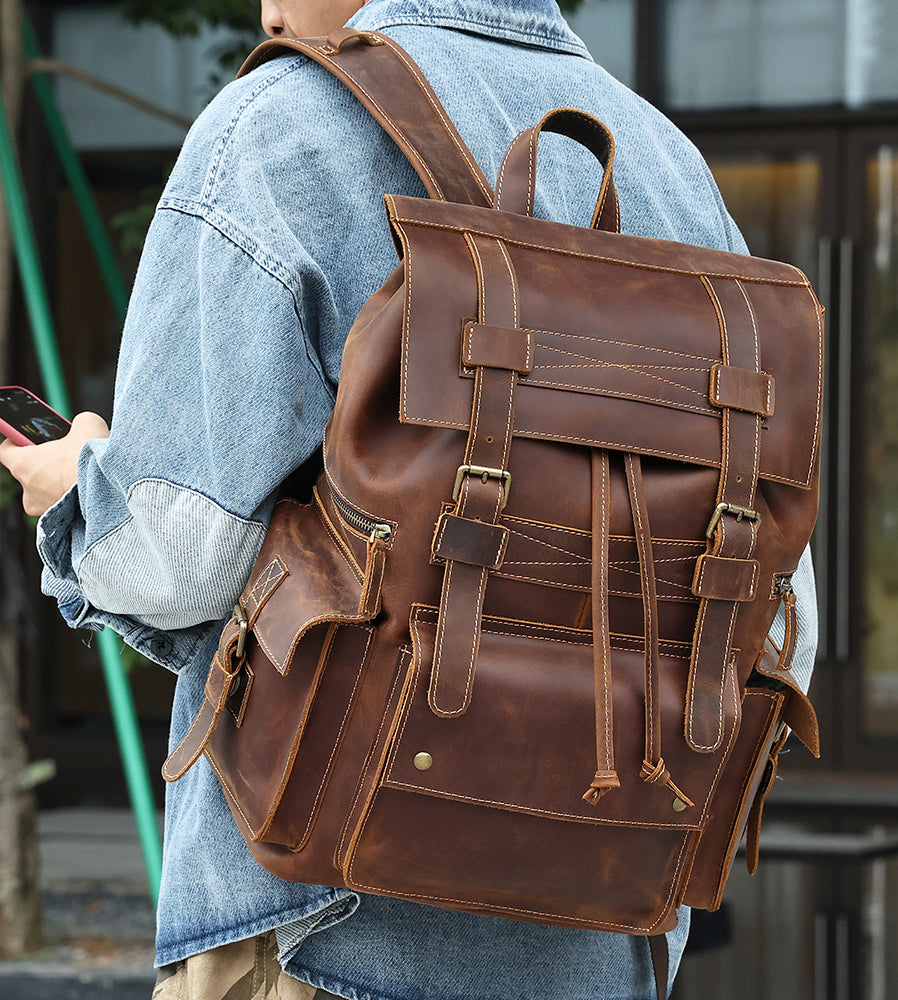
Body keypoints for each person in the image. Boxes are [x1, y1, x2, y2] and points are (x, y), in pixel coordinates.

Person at [0, 0, 819, 997]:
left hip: (322, 930)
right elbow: (783, 628)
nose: (262, 4)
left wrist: (79, 496)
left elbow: (179, 549)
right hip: (601, 947)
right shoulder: (667, 167)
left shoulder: (283, 122)